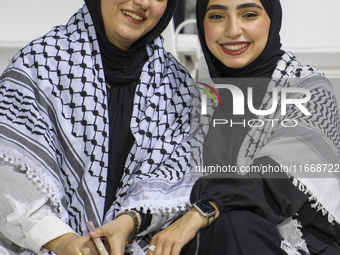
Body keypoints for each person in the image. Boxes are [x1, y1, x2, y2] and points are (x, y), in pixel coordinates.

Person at [0, 0, 201, 254]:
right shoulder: (39, 64)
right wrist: (62, 240)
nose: (142, 2)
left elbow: (179, 180)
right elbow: (9, 176)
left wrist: (128, 223)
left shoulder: (177, 87)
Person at [146, 0, 340, 254]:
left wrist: (204, 210)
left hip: (296, 247)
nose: (233, 30)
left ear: (272, 19)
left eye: (249, 14)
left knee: (234, 224)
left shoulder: (309, 91)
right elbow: (167, 183)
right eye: (217, 16)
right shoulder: (196, 101)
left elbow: (278, 179)